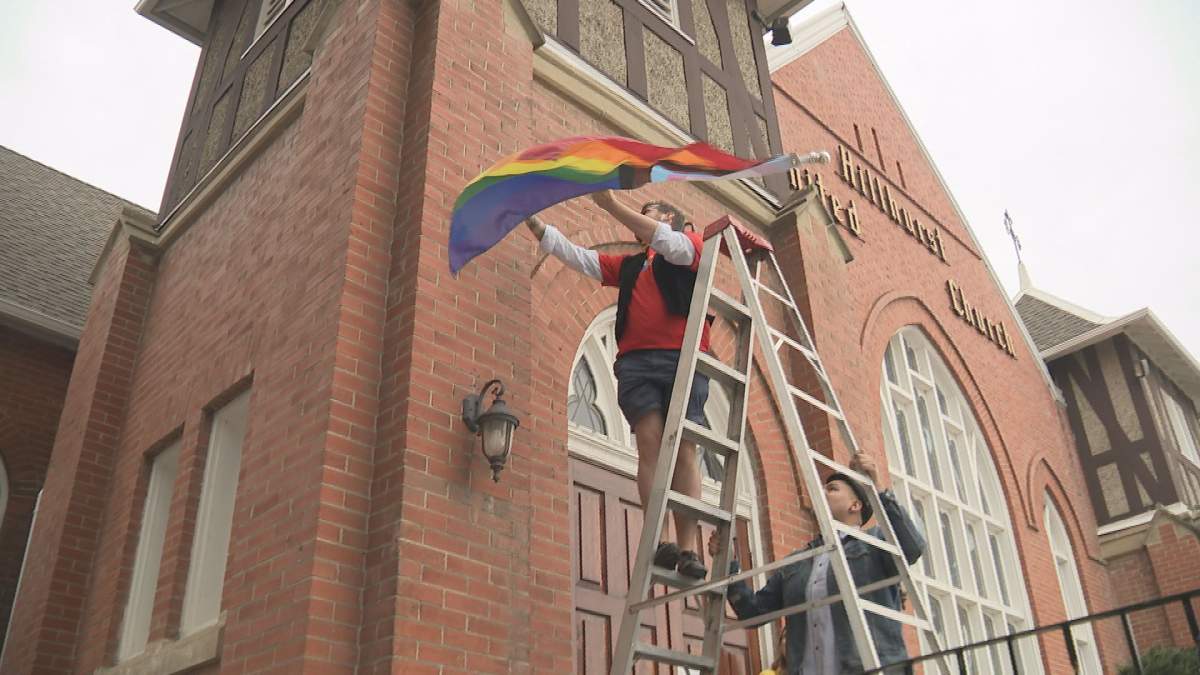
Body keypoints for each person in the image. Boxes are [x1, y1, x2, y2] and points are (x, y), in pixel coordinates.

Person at [526, 189, 712, 578]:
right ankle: (659, 540)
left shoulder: (689, 247)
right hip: (637, 363)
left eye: (651, 212)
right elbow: (582, 258)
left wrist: (611, 205)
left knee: (684, 451)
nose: (639, 219)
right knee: (648, 443)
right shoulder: (631, 266)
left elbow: (668, 243)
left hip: (683, 358)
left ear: (675, 221)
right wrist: (538, 226)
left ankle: (689, 549)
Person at [708, 454, 925, 673]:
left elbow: (912, 547)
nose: (821, 491)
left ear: (855, 505)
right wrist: (728, 563)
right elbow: (753, 613)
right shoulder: (797, 562)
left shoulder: (875, 543)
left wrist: (877, 489)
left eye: (832, 489)